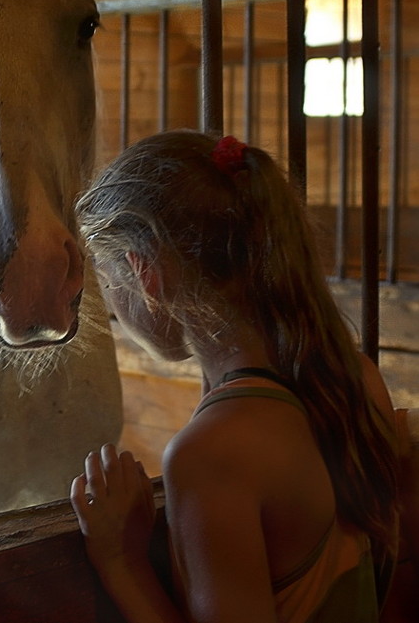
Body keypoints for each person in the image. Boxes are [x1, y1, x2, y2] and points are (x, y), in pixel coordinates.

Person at [68, 130, 410, 622]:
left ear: (145, 275)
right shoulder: (355, 376)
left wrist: (121, 562)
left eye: (105, 276)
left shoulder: (211, 455)